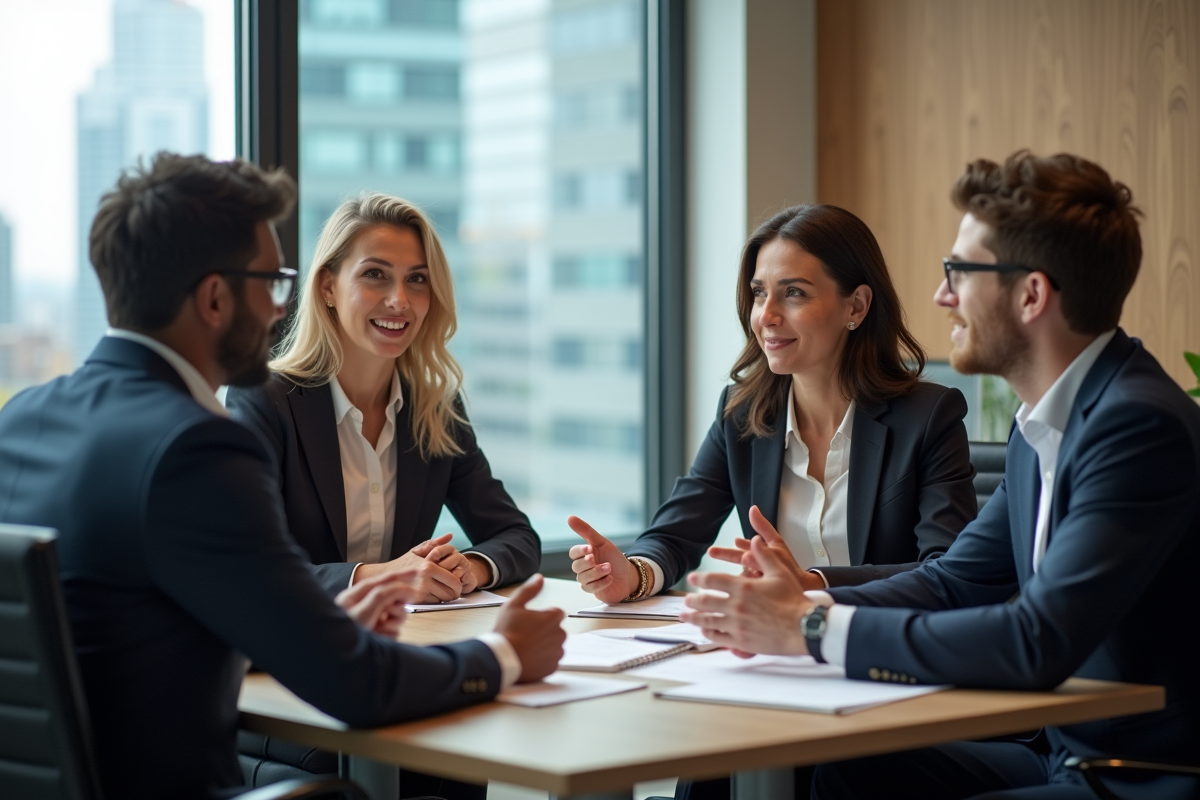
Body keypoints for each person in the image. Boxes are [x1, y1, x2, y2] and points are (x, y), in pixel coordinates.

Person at [0, 153, 566, 800]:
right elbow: (358, 687)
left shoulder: (21, 419)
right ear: (216, 297)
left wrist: (309, 618)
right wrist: (506, 654)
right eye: (271, 283)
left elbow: (123, 630)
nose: (279, 309)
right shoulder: (196, 446)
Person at [681, 152, 1200, 800]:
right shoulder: (1043, 424)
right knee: (851, 770)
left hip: (1137, 777)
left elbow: (1033, 640)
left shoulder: (1135, 428)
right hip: (1057, 751)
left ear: (1031, 294)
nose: (941, 295)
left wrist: (808, 629)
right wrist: (800, 604)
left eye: (960, 272)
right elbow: (955, 580)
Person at [568, 204, 978, 800]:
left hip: (875, 680)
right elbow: (678, 534)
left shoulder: (929, 417)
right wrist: (630, 574)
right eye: (759, 293)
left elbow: (946, 571)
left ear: (856, 307)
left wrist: (812, 582)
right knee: (710, 764)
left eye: (794, 293)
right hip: (766, 677)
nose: (767, 316)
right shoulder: (744, 414)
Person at [226, 194, 539, 603]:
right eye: (375, 274)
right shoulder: (265, 400)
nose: (400, 301)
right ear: (328, 288)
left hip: (405, 643)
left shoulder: (435, 409)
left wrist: (469, 569)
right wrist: (381, 577)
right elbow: (245, 565)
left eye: (418, 279)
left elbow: (517, 537)